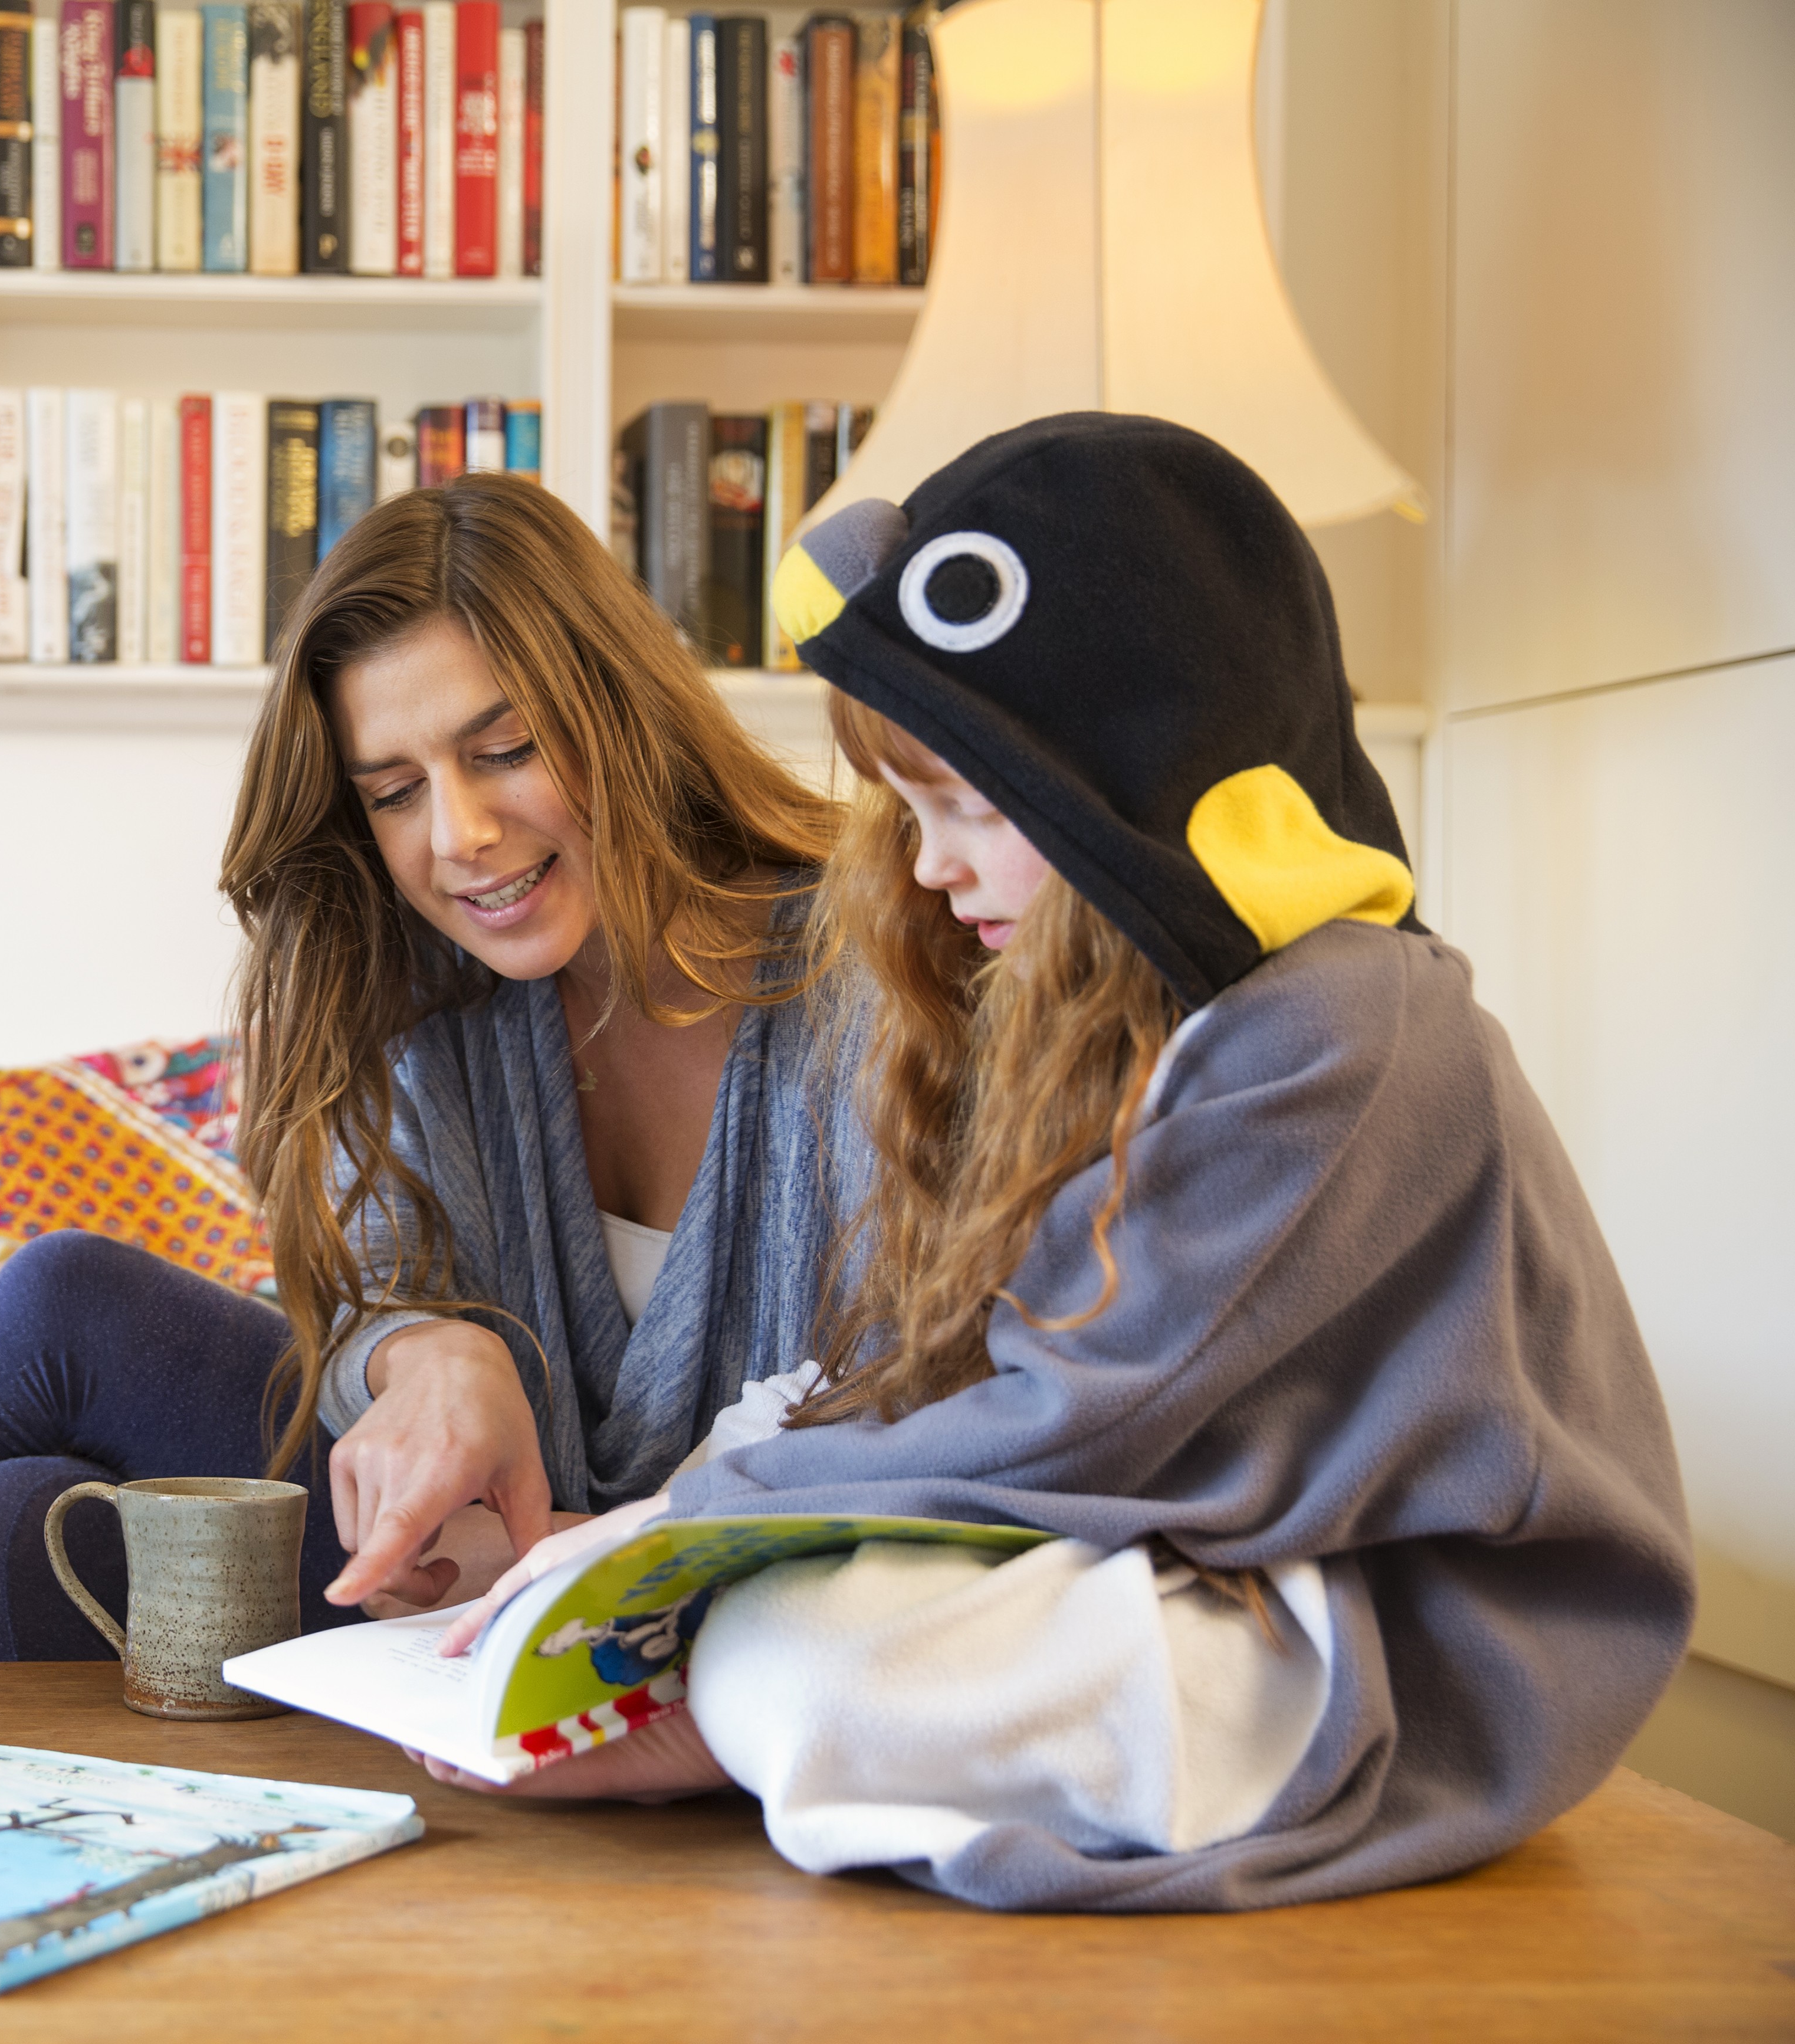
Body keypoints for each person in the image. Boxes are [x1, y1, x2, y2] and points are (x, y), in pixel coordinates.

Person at [418, 414, 1691, 1911]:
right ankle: (739, 1712)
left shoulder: (1346, 1023)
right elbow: (977, 1381)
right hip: (1224, 1559)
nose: (935, 862)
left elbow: (1085, 1417)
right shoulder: (1143, 1022)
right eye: (916, 810)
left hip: (1414, 1635)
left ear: (1127, 784)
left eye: (969, 803)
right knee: (788, 1610)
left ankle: (731, 1728)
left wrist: (695, 1527)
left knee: (791, 1654)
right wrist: (687, 1513)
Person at [0, 474, 862, 1659]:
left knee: (65, 1307)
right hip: (470, 1553)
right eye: (394, 792)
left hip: (753, 1577)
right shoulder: (416, 976)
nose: (457, 836)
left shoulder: (871, 965)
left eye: (502, 749)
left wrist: (601, 1535)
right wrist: (430, 1351)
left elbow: (935, 1401)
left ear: (623, 711)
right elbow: (373, 1296)